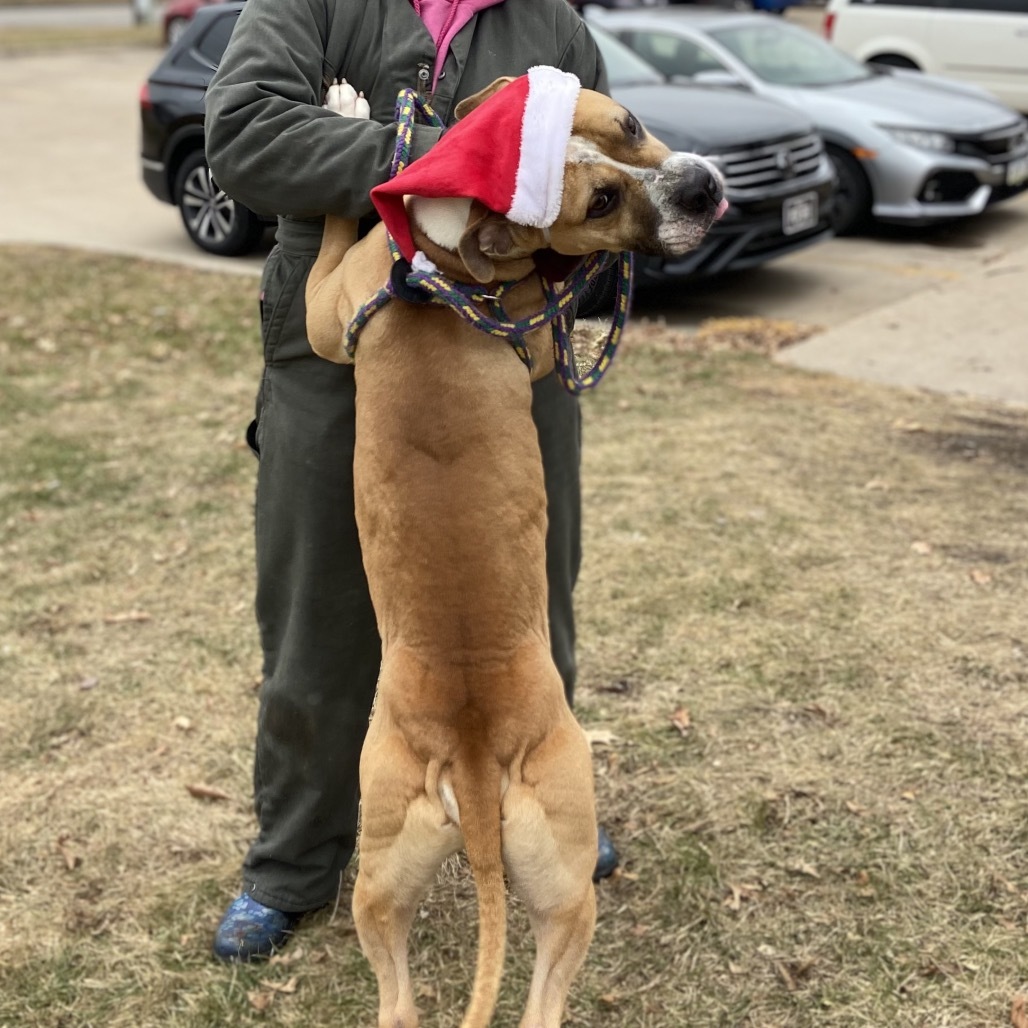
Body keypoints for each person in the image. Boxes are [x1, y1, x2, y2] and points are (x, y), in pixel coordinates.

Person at [203, 0, 620, 963]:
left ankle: (546, 818)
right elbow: (247, 134)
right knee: (318, 622)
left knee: (534, 603)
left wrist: (374, 147)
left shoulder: (552, 24)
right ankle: (293, 863)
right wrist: (461, 158)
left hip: (512, 353)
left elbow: (600, 181)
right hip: (334, 350)